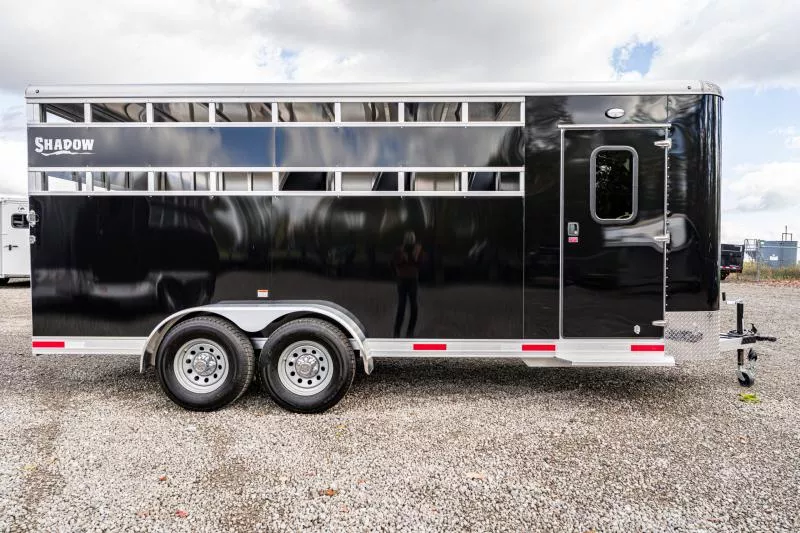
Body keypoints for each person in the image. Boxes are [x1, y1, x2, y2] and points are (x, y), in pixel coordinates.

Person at [392, 231, 422, 337]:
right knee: (402, 306)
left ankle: (410, 331)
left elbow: (419, 263)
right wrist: (403, 255)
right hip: (403, 280)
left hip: (412, 280)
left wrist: (415, 254)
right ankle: (397, 331)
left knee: (413, 306)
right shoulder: (399, 250)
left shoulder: (417, 250)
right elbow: (396, 263)